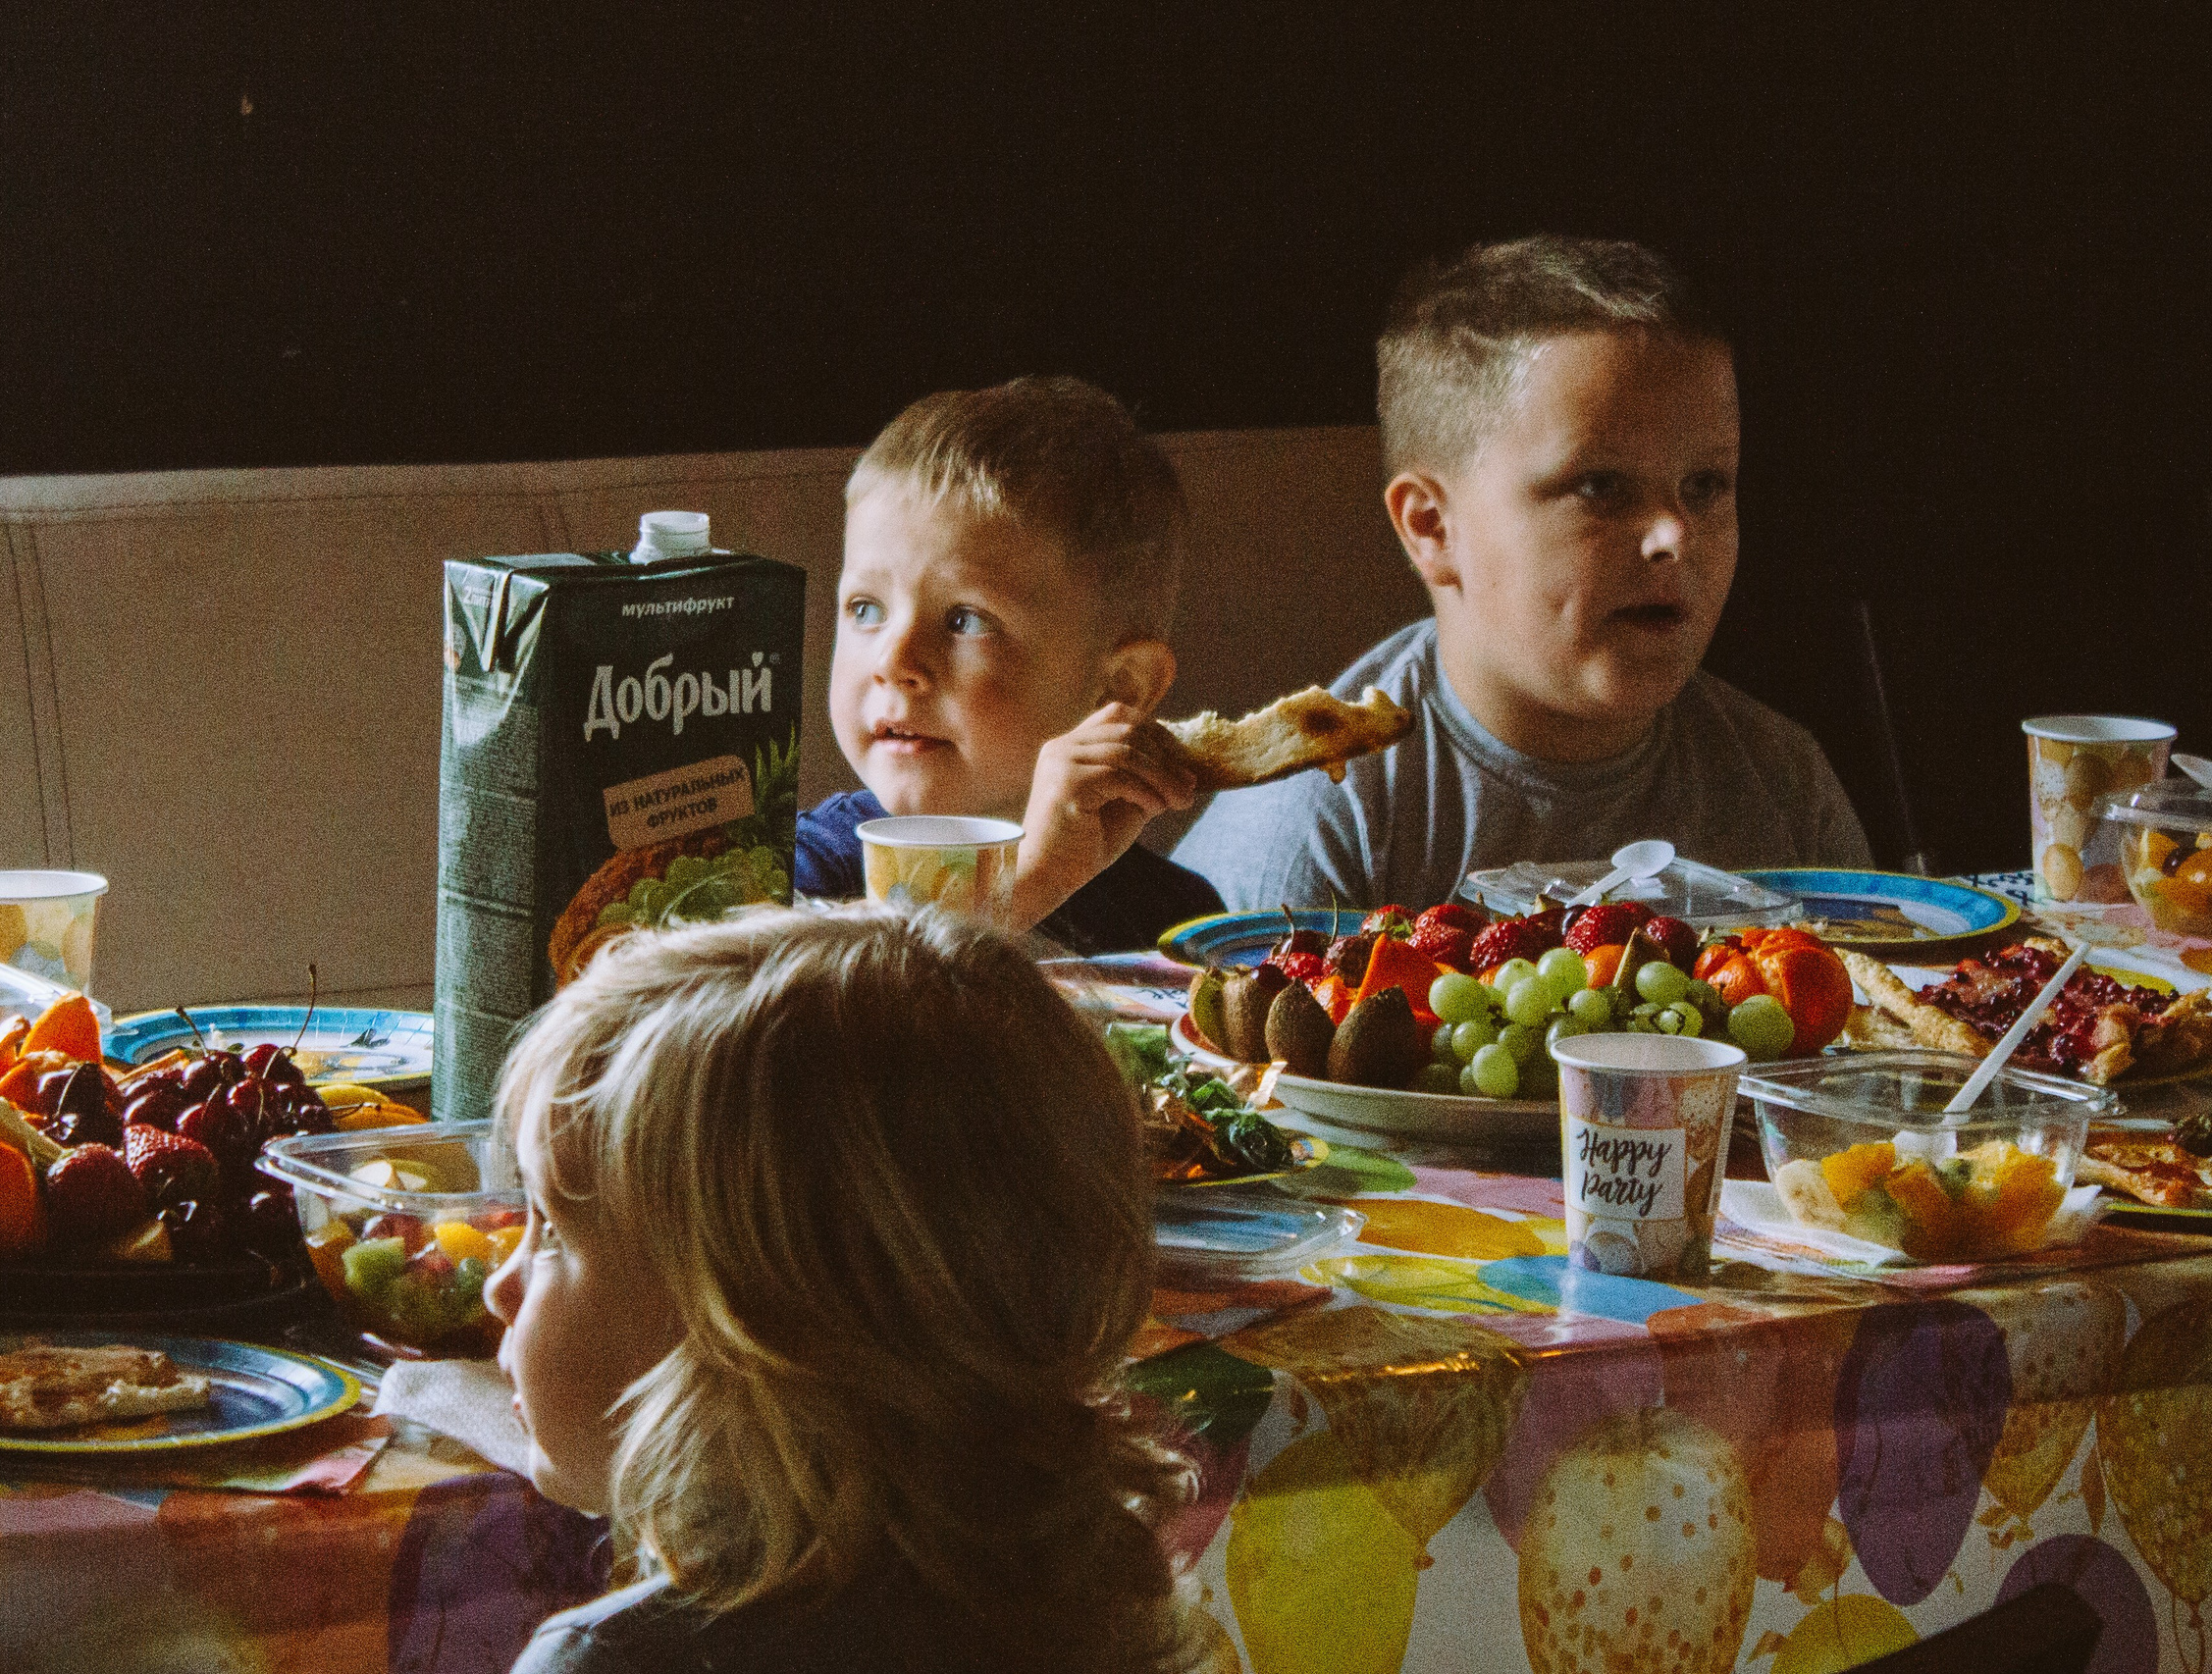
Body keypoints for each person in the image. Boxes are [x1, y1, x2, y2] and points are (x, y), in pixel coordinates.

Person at [484, 905, 1204, 1674]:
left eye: (555, 1233)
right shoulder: (1090, 1581)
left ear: (757, 1335)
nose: (501, 1286)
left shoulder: (606, 1665)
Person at [1176, 235, 1872, 913]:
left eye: (1706, 485)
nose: (1673, 534)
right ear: (1432, 528)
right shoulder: (1317, 828)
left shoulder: (1784, 786)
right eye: (1600, 487)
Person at [795, 377, 1225, 953]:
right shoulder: (803, 875)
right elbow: (794, 1027)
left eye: (965, 620)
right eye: (865, 609)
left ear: (1119, 687)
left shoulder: (1176, 922)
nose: (893, 661)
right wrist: (1026, 885)